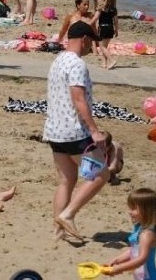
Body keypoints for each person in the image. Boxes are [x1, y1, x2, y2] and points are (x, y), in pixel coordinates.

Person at [47, 21, 108, 241]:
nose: (92, 47)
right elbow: (78, 98)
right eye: (91, 42)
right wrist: (94, 130)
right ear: (84, 40)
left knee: (67, 180)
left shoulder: (58, 60)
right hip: (74, 131)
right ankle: (68, 214)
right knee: (100, 173)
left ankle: (58, 232)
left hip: (55, 130)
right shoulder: (76, 64)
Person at [102, 188, 156, 279]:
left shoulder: (147, 234)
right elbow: (134, 250)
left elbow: (142, 259)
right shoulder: (140, 228)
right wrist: (117, 260)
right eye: (130, 208)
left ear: (147, 210)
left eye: (134, 208)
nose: (129, 212)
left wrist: (120, 268)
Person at [90, 0, 119, 70]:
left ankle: (112, 60)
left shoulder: (102, 6)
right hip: (110, 28)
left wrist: (89, 24)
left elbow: (96, 18)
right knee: (105, 47)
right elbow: (116, 21)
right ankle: (104, 63)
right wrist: (116, 30)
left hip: (103, 28)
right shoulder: (114, 9)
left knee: (102, 47)